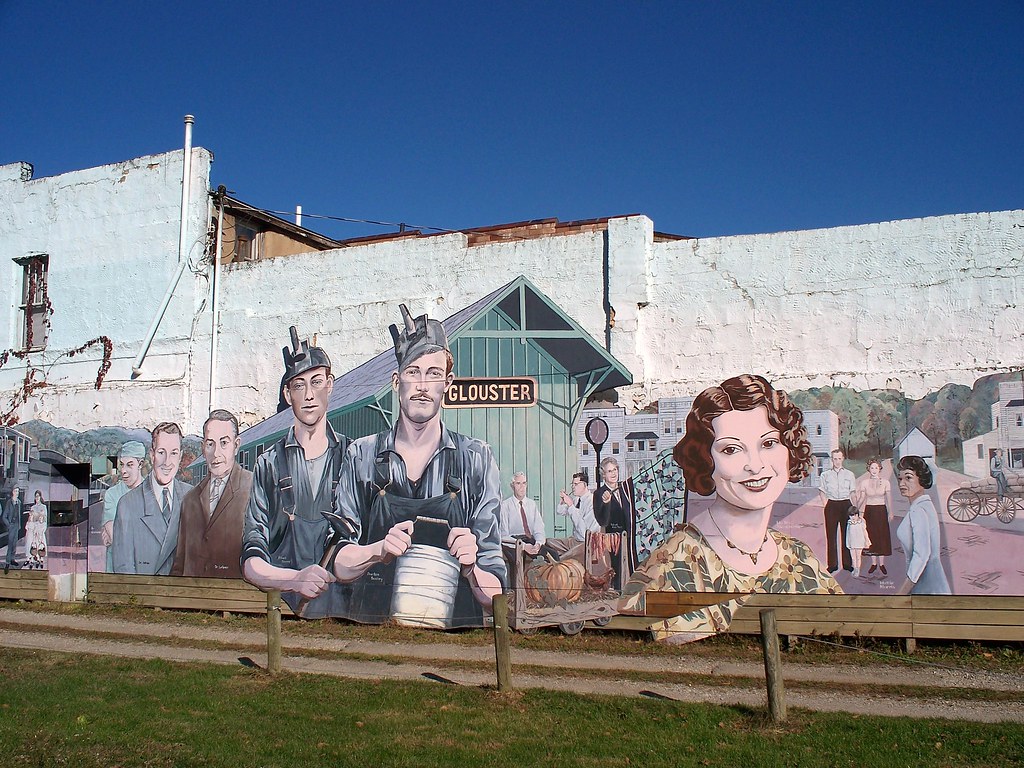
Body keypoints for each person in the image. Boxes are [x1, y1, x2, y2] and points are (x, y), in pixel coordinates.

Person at [618, 374, 841, 644]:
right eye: (732, 450)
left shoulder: (799, 557)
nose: (755, 465)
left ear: (789, 449)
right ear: (705, 460)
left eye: (768, 444)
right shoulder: (678, 561)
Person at [333, 304, 506, 627]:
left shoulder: (475, 459)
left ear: (448, 384)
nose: (423, 386)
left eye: (434, 374)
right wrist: (379, 550)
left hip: (452, 649)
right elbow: (339, 565)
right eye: (413, 372)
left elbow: (494, 591)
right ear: (397, 381)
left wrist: (471, 568)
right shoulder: (362, 456)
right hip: (372, 641)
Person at [241, 327, 351, 617]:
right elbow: (251, 556)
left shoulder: (353, 457)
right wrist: (293, 580)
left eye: (316, 382)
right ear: (288, 395)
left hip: (345, 614)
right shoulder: (269, 464)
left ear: (330, 385)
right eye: (299, 385)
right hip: (284, 612)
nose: (309, 395)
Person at [172, 410, 253, 578]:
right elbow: (180, 562)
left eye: (224, 443)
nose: (216, 453)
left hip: (235, 599)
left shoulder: (254, 489)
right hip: (192, 598)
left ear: (236, 445)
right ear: (203, 448)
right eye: (210, 444)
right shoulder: (191, 500)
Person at [112, 423, 193, 575]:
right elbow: (124, 571)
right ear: (152, 454)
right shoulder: (127, 505)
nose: (167, 462)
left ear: (181, 456)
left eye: (174, 453)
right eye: (161, 452)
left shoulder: (192, 498)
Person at [895, 455, 951, 595]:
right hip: (928, 578)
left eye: (908, 478)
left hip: (926, 582)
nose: (902, 484)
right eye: (900, 479)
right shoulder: (923, 505)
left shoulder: (918, 510)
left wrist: (901, 593)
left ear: (922, 479)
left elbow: (921, 555)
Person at [101, 441, 146, 572]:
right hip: (116, 566)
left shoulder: (152, 493)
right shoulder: (113, 494)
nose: (124, 471)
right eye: (122, 465)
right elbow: (112, 530)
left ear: (140, 464)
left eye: (129, 465)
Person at [593, 456, 637, 588]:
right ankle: (618, 596)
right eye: (609, 471)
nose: (613, 474)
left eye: (615, 470)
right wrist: (606, 504)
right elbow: (602, 521)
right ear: (603, 475)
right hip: (614, 539)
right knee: (617, 570)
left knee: (634, 566)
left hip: (631, 536)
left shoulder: (626, 489)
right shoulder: (598, 493)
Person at [818, 448, 856, 573]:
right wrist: (826, 505)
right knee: (831, 536)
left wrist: (854, 509)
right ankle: (832, 565)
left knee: (847, 535)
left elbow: (853, 492)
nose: (837, 461)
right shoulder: (825, 475)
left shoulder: (849, 474)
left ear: (843, 459)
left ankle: (847, 564)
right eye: (835, 459)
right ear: (832, 460)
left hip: (846, 504)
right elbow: (822, 491)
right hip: (832, 505)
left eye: (839, 459)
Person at [855, 458, 892, 576]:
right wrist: (855, 509)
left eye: (876, 468)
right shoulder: (864, 483)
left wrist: (890, 512)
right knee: (871, 536)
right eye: (872, 468)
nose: (874, 470)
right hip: (869, 511)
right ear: (868, 469)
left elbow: (889, 499)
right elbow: (861, 498)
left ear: (880, 469)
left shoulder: (886, 482)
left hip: (881, 511)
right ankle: (873, 563)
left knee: (881, 536)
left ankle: (881, 564)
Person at [499, 472, 545, 556]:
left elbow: (539, 529)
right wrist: (523, 546)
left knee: (553, 556)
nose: (522, 487)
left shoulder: (532, 504)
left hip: (530, 540)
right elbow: (503, 536)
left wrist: (538, 544)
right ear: (512, 486)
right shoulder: (505, 506)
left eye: (524, 483)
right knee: (518, 562)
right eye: (518, 483)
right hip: (514, 542)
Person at [555, 472, 600, 543]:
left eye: (576, 484)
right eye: (572, 484)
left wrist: (570, 505)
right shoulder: (577, 499)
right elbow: (560, 511)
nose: (573, 486)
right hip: (575, 540)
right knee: (549, 542)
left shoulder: (592, 502)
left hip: (586, 543)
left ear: (584, 485)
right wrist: (562, 501)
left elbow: (584, 534)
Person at [845, 507, 871, 577]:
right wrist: (848, 542)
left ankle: (858, 569)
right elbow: (848, 534)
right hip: (852, 542)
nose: (852, 517)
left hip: (859, 542)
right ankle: (855, 568)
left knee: (858, 556)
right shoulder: (849, 523)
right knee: (853, 557)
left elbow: (865, 532)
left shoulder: (861, 523)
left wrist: (867, 541)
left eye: (854, 515)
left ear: (857, 515)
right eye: (850, 516)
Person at [2, 486, 23, 574]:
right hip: (11, 526)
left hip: (16, 526)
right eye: (16, 491)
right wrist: (9, 525)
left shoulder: (19, 502)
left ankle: (12, 559)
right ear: (12, 492)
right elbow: (4, 516)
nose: (17, 493)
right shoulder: (9, 502)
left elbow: (19, 514)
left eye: (18, 491)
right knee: (10, 544)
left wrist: (19, 525)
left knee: (14, 544)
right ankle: (7, 563)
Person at [25, 490, 48, 568]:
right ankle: (30, 558)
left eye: (38, 496)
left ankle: (39, 559)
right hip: (33, 528)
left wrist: (43, 528)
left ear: (40, 497)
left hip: (40, 528)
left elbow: (45, 518)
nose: (37, 498)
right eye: (36, 496)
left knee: (40, 544)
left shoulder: (44, 507)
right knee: (31, 543)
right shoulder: (33, 507)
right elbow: (31, 518)